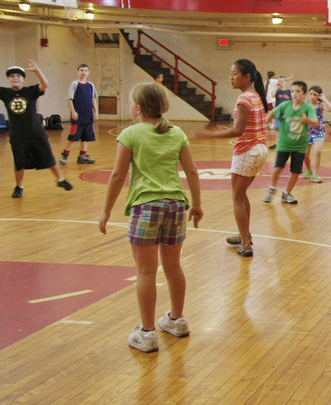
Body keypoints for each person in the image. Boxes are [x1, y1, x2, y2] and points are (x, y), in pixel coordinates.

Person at [98, 82, 203, 353]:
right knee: (173, 266)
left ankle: (147, 333)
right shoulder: (176, 132)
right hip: (176, 206)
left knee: (146, 271)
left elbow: (117, 175)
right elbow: (192, 171)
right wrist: (197, 204)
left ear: (138, 108)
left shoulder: (130, 133)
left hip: (146, 208)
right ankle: (177, 320)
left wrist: (106, 210)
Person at [195, 59, 268, 257]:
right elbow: (245, 127)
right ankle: (245, 234)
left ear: (247, 77)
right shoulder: (255, 97)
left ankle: (245, 244)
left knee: (237, 197)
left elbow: (238, 131)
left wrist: (210, 135)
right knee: (241, 195)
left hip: (248, 151)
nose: (231, 77)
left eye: (235, 73)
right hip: (259, 149)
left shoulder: (244, 98)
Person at [0, 61, 73, 198]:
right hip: (17, 135)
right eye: (12, 76)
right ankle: (19, 186)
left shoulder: (30, 91)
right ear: (8, 79)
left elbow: (45, 84)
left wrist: (37, 70)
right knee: (19, 162)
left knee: (49, 157)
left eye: (18, 76)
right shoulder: (5, 93)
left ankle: (60, 180)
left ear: (23, 79)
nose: (15, 78)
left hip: (36, 133)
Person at [262, 80, 318, 205]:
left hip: (299, 146)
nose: (294, 94)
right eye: (292, 91)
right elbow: (272, 113)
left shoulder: (307, 107)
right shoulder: (285, 105)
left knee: (295, 172)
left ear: (304, 94)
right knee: (277, 168)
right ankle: (271, 188)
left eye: (298, 91)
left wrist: (306, 119)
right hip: (284, 143)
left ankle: (287, 193)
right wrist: (264, 125)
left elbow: (315, 122)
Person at [59, 63, 98, 165]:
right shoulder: (75, 84)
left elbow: (93, 99)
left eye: (85, 70)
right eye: (81, 70)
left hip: (88, 115)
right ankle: (65, 154)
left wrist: (96, 112)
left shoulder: (91, 85)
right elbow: (70, 99)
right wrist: (73, 111)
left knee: (86, 137)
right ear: (77, 72)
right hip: (78, 116)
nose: (83, 72)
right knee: (73, 136)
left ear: (88, 72)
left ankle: (82, 156)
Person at [302, 85, 331, 183]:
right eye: (310, 94)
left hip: (319, 132)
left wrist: (324, 98)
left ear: (318, 96)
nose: (312, 96)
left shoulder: (321, 105)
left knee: (317, 152)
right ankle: (309, 170)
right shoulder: (305, 105)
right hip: (307, 132)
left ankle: (315, 175)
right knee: (305, 155)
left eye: (315, 95)